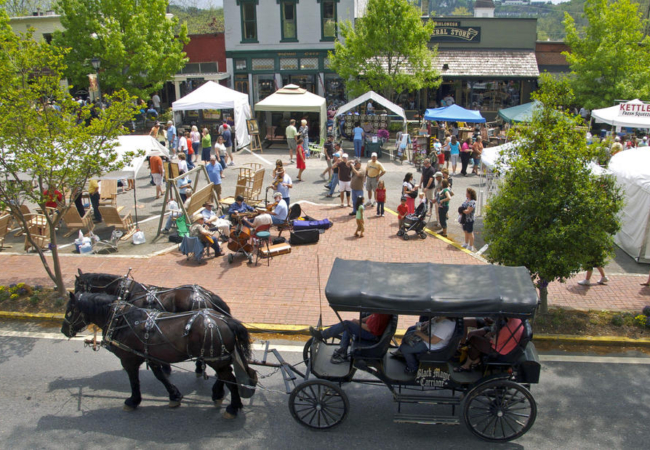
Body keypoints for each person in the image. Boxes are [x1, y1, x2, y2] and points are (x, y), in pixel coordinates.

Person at [309, 313, 393, 364]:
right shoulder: (380, 310)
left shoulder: (382, 314)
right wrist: (359, 320)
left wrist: (357, 322)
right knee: (348, 325)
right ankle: (343, 350)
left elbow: (369, 329)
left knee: (346, 324)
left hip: (371, 335)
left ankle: (323, 335)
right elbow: (372, 316)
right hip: (370, 330)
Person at [455, 318, 524, 372]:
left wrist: (488, 336)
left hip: (499, 350)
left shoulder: (509, 326)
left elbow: (494, 341)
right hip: (505, 346)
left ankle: (468, 364)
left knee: (474, 339)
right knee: (476, 340)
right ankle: (474, 361)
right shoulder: (516, 321)